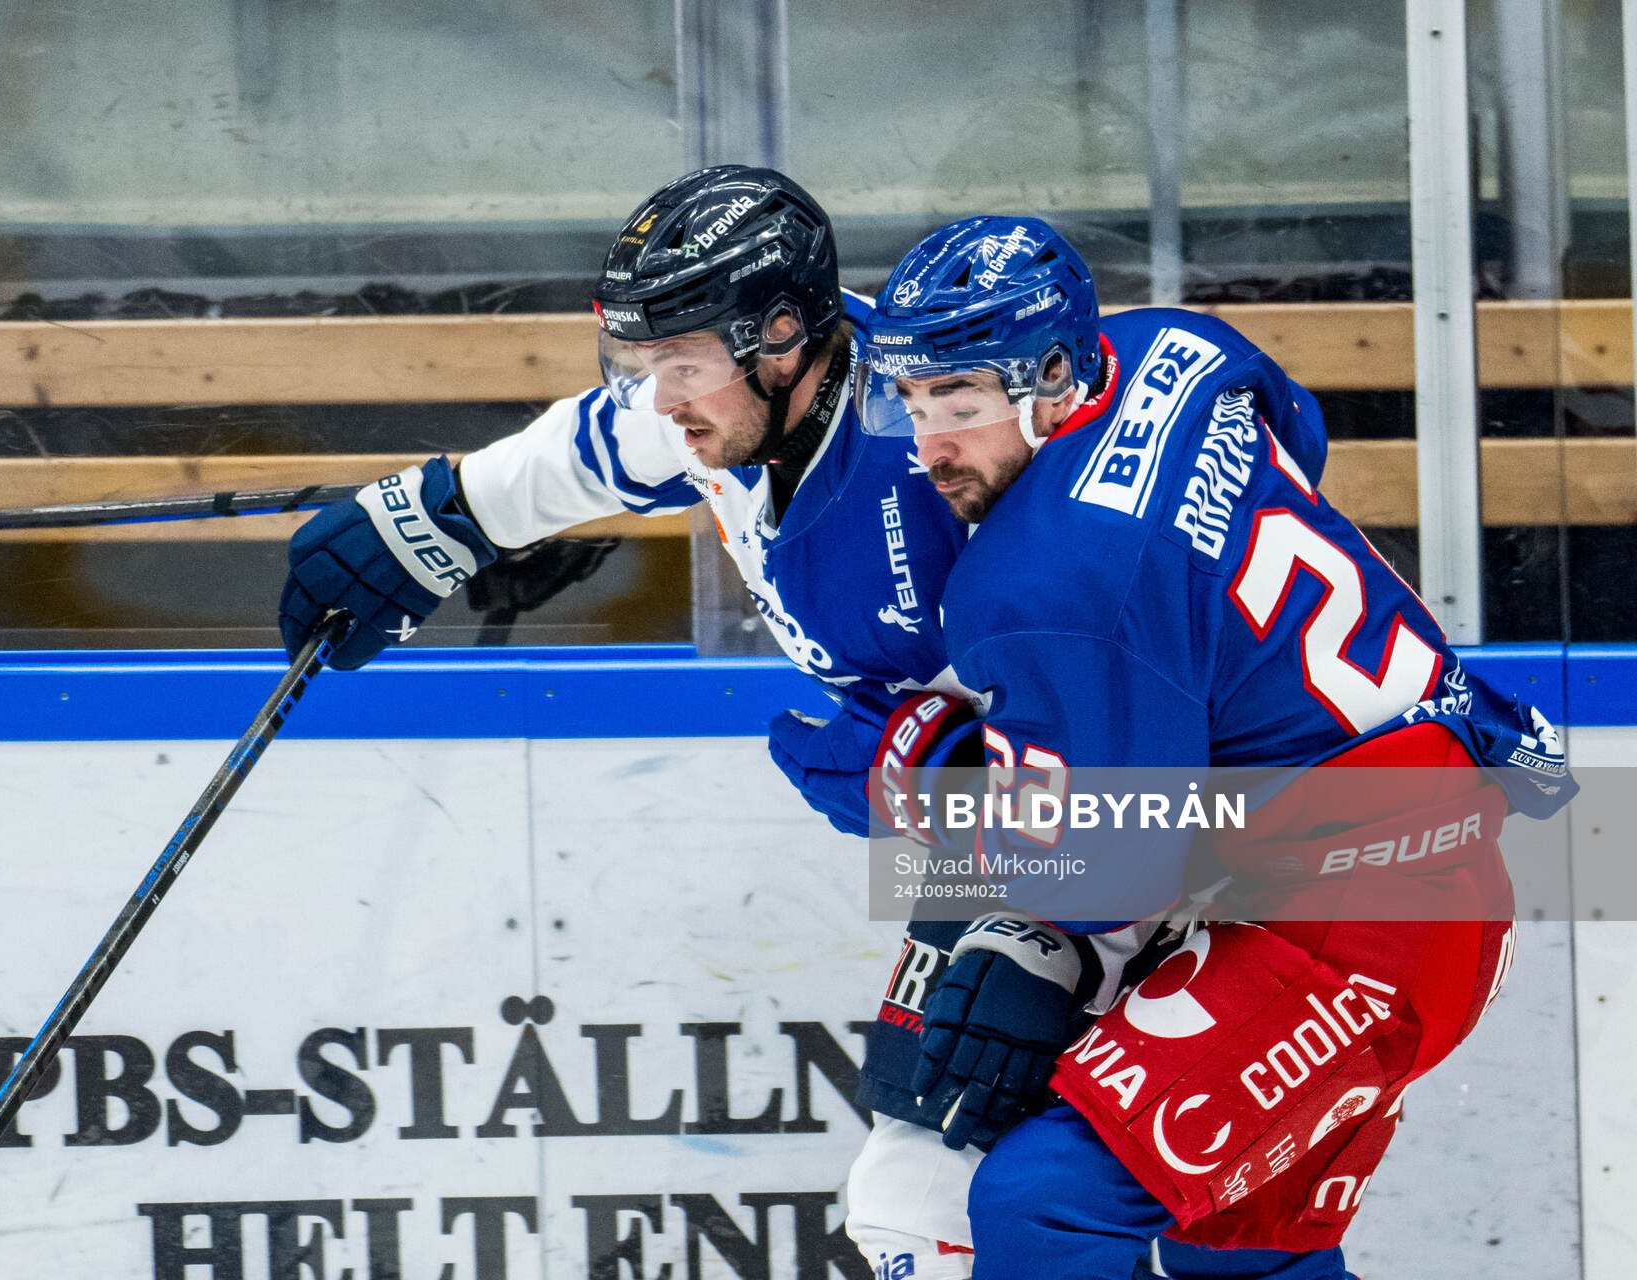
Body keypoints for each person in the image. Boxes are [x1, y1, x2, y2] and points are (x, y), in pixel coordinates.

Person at [275, 166, 996, 1279]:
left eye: (682, 366)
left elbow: (1129, 687)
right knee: (950, 1192)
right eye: (646, 364)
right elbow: (593, 445)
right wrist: (437, 517)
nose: (662, 399)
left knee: (972, 1200)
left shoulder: (946, 453)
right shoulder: (741, 408)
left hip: (1195, 834)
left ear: (783, 333)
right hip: (1019, 842)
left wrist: (942, 771)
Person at [853, 215, 1575, 1279]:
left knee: (1043, 1202)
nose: (929, 447)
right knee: (1237, 1254)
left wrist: (942, 787)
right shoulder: (1165, 347)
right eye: (911, 404)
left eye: (960, 405)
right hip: (1405, 877)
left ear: (1053, 378)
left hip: (1357, 934)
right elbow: (1298, 431)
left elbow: (1104, 875)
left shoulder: (1042, 582)